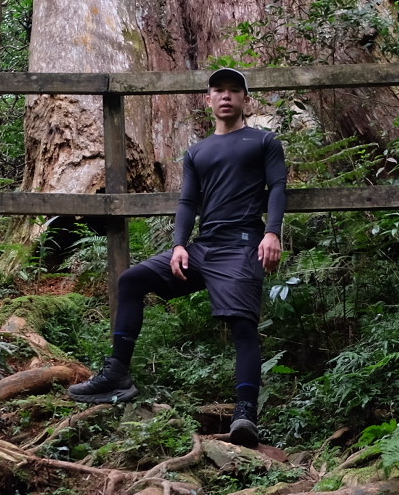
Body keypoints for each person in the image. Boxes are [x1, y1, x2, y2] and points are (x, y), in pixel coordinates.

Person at [67, 67, 286, 447]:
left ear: (244, 100)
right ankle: (118, 373)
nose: (226, 96)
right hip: (202, 247)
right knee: (131, 280)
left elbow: (278, 186)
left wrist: (272, 232)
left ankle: (245, 414)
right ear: (208, 99)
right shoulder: (197, 151)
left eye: (234, 91)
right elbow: (188, 201)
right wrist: (180, 243)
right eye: (219, 90)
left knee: (243, 325)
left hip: (242, 245)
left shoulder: (263, 141)